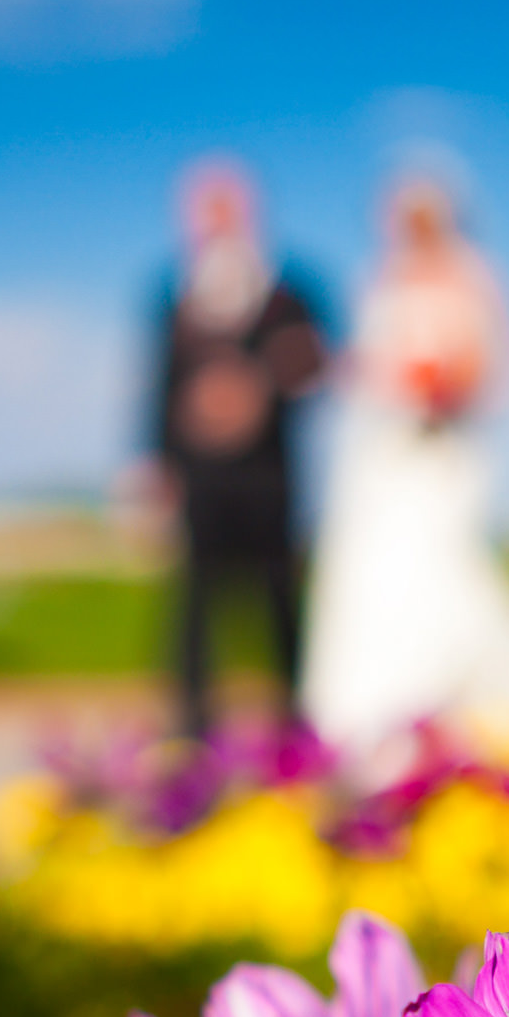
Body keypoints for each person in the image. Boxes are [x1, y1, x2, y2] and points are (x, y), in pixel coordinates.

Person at [301, 177, 509, 762]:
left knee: (437, 572)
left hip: (440, 450)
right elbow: (362, 363)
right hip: (379, 455)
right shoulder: (376, 279)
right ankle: (357, 719)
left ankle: (441, 710)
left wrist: (440, 383)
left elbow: (491, 366)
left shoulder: (475, 276)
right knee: (371, 577)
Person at [151, 162, 328, 737]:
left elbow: (315, 363)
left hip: (268, 470)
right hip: (200, 472)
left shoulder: (288, 289)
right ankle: (192, 724)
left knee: (278, 594)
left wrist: (256, 388)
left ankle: (291, 718)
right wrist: (158, 461)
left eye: (226, 207)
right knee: (196, 600)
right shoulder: (173, 294)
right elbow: (157, 382)